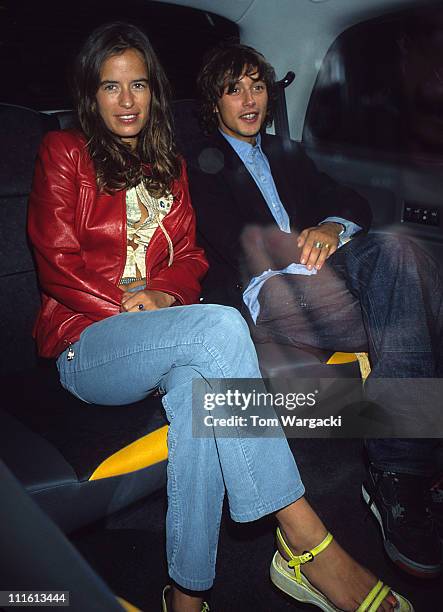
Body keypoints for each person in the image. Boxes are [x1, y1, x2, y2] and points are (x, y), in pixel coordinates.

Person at [27, 23, 412, 612]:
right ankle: (304, 539)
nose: (127, 101)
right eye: (111, 87)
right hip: (89, 339)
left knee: (204, 403)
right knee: (223, 324)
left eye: (138, 86)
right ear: (91, 93)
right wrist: (130, 304)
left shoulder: (168, 167)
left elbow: (192, 258)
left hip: (164, 338)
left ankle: (186, 598)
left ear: (155, 92)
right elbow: (56, 262)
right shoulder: (65, 152)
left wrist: (166, 299)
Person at [187, 41, 443, 582]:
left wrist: (330, 226)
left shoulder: (287, 152)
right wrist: (299, 247)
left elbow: (350, 201)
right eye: (234, 89)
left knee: (403, 253)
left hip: (328, 271)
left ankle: (400, 465)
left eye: (257, 86)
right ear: (214, 103)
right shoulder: (198, 163)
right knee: (414, 301)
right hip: (269, 289)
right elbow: (231, 240)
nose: (249, 99)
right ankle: (407, 465)